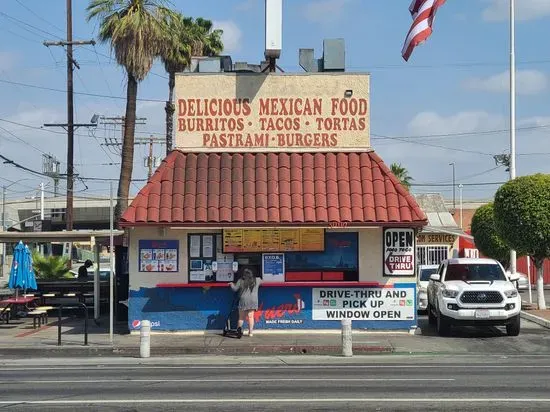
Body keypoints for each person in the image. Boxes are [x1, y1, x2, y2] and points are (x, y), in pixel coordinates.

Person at [229, 268, 262, 337]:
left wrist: (231, 284)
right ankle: (250, 333)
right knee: (251, 317)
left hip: (243, 300)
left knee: (241, 317)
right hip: (253, 300)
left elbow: (235, 289)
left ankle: (239, 332)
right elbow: (264, 281)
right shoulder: (257, 280)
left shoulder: (240, 281)